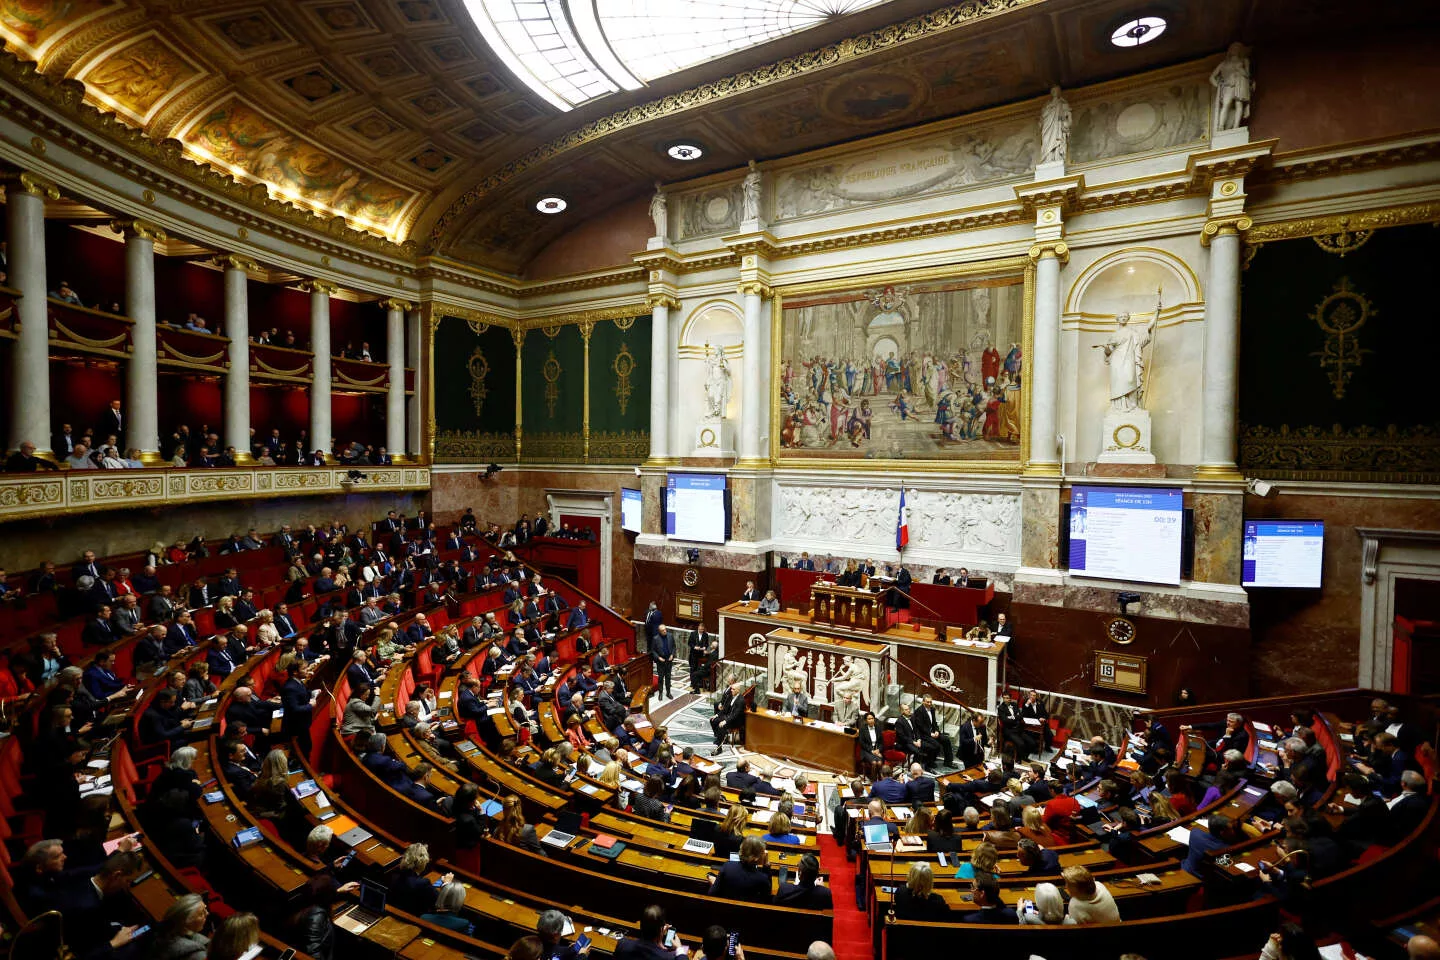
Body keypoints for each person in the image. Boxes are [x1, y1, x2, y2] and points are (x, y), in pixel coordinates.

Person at [710, 836, 772, 904]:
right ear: (756, 857)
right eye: (763, 852)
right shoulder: (762, 878)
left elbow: (712, 892)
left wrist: (714, 882)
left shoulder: (727, 866)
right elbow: (767, 898)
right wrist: (766, 865)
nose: (765, 854)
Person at [150, 893, 210, 960]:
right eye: (201, 913)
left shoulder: (163, 937)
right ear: (186, 921)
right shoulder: (198, 955)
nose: (207, 913)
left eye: (205, 909)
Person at [613, 904, 679, 959]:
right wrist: (680, 948)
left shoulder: (623, 944)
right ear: (661, 930)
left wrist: (659, 943)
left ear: (640, 925)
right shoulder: (667, 957)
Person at [710, 680, 745, 746]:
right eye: (731, 689)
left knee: (721, 725)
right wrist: (717, 715)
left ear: (738, 690)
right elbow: (725, 708)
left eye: (733, 689)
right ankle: (719, 736)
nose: (731, 690)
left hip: (735, 721)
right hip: (728, 716)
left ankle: (720, 741)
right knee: (713, 720)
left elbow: (735, 715)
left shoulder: (741, 700)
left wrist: (725, 721)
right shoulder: (730, 696)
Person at [652, 624, 674, 700]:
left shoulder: (670, 636)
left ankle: (668, 692)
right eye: (663, 630)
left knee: (668, 677)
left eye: (665, 629)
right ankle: (660, 693)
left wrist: (672, 655)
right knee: (661, 678)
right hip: (661, 661)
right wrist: (658, 657)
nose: (665, 631)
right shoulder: (655, 639)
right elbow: (653, 651)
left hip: (669, 660)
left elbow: (674, 647)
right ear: (659, 631)